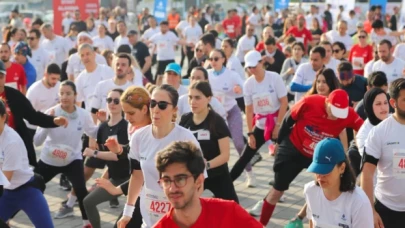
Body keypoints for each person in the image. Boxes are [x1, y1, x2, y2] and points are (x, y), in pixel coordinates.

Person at [258, 89, 364, 226]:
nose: (336, 117)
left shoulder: (349, 114)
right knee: (277, 191)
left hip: (318, 156)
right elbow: (288, 119)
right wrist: (278, 143)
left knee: (328, 187)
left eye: (340, 114)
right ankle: (260, 224)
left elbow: (364, 129)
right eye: (333, 112)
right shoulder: (310, 102)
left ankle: (306, 218)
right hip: (293, 148)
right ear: (327, 102)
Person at [109, 84, 202, 228]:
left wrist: (187, 211)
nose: (156, 109)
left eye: (162, 105)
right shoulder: (138, 137)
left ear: (174, 110)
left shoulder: (186, 138)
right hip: (149, 216)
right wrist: (128, 211)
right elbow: (137, 176)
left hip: (179, 217)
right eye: (153, 104)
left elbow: (199, 182)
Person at [153, 141, 263, 228]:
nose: (172, 188)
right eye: (166, 181)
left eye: (180, 179)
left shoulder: (229, 212)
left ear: (199, 181)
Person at [33, 81, 98, 227]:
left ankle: (87, 223)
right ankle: (5, 218)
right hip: (49, 160)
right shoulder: (50, 113)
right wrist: (47, 122)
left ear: (75, 95)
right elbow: (37, 142)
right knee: (30, 187)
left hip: (72, 159)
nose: (64, 97)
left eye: (68, 93)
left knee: (81, 191)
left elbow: (93, 132)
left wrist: (105, 122)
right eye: (61, 93)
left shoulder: (83, 114)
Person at [230, 50, 288, 183]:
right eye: (249, 67)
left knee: (281, 157)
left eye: (254, 66)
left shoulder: (274, 78)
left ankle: (280, 188)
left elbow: (284, 102)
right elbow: (249, 110)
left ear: (261, 62)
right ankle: (226, 185)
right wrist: (250, 133)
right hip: (261, 124)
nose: (252, 70)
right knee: (245, 157)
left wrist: (278, 126)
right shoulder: (248, 84)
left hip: (279, 121)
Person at [0, 60, 68, 167]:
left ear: (5, 77)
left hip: (13, 146)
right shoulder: (35, 89)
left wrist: (53, 120)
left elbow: (32, 116)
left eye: (0, 76)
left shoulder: (14, 96)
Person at [179, 81, 239, 202]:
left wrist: (206, 165)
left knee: (232, 208)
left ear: (208, 98)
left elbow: (225, 155)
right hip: (194, 174)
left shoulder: (217, 121)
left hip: (217, 174)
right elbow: (179, 148)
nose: (192, 101)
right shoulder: (185, 120)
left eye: (197, 97)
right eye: (190, 97)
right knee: (186, 206)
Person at [0, 99, 53, 228]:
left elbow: (4, 180)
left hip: (26, 191)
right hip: (7, 194)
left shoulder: (11, 141)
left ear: (3, 117)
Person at [82, 89, 131, 228]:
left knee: (126, 220)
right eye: (109, 100)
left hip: (131, 179)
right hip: (114, 179)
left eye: (117, 100)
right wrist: (103, 178)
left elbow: (116, 155)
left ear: (123, 104)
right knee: (88, 201)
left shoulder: (126, 126)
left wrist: (94, 153)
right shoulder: (103, 126)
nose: (112, 103)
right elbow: (102, 154)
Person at [361, 78, 405, 228]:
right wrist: (370, 211)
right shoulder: (379, 133)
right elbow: (366, 175)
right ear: (393, 103)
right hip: (387, 210)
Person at [207, 49, 254, 186]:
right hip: (215, 115)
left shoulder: (231, 74)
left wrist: (239, 89)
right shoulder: (208, 74)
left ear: (223, 59)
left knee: (239, 143)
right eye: (211, 59)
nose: (213, 62)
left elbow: (244, 86)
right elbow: (193, 81)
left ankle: (249, 173)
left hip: (231, 111)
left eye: (216, 59)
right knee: (214, 147)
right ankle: (216, 177)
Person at [304, 138, 374, 227]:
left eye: (326, 170)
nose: (320, 175)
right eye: (317, 169)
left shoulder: (359, 201)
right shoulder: (310, 191)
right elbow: (312, 223)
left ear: (342, 168)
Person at [350, 87, 390, 176]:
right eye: (378, 104)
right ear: (369, 106)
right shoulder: (363, 134)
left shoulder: (396, 121)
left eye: (385, 103)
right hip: (378, 183)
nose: (383, 107)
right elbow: (379, 162)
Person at [25, 64, 61, 137]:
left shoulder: (59, 86)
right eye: (53, 78)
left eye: (57, 79)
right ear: (45, 75)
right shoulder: (33, 90)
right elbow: (28, 114)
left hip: (52, 126)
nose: (55, 81)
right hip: (34, 128)